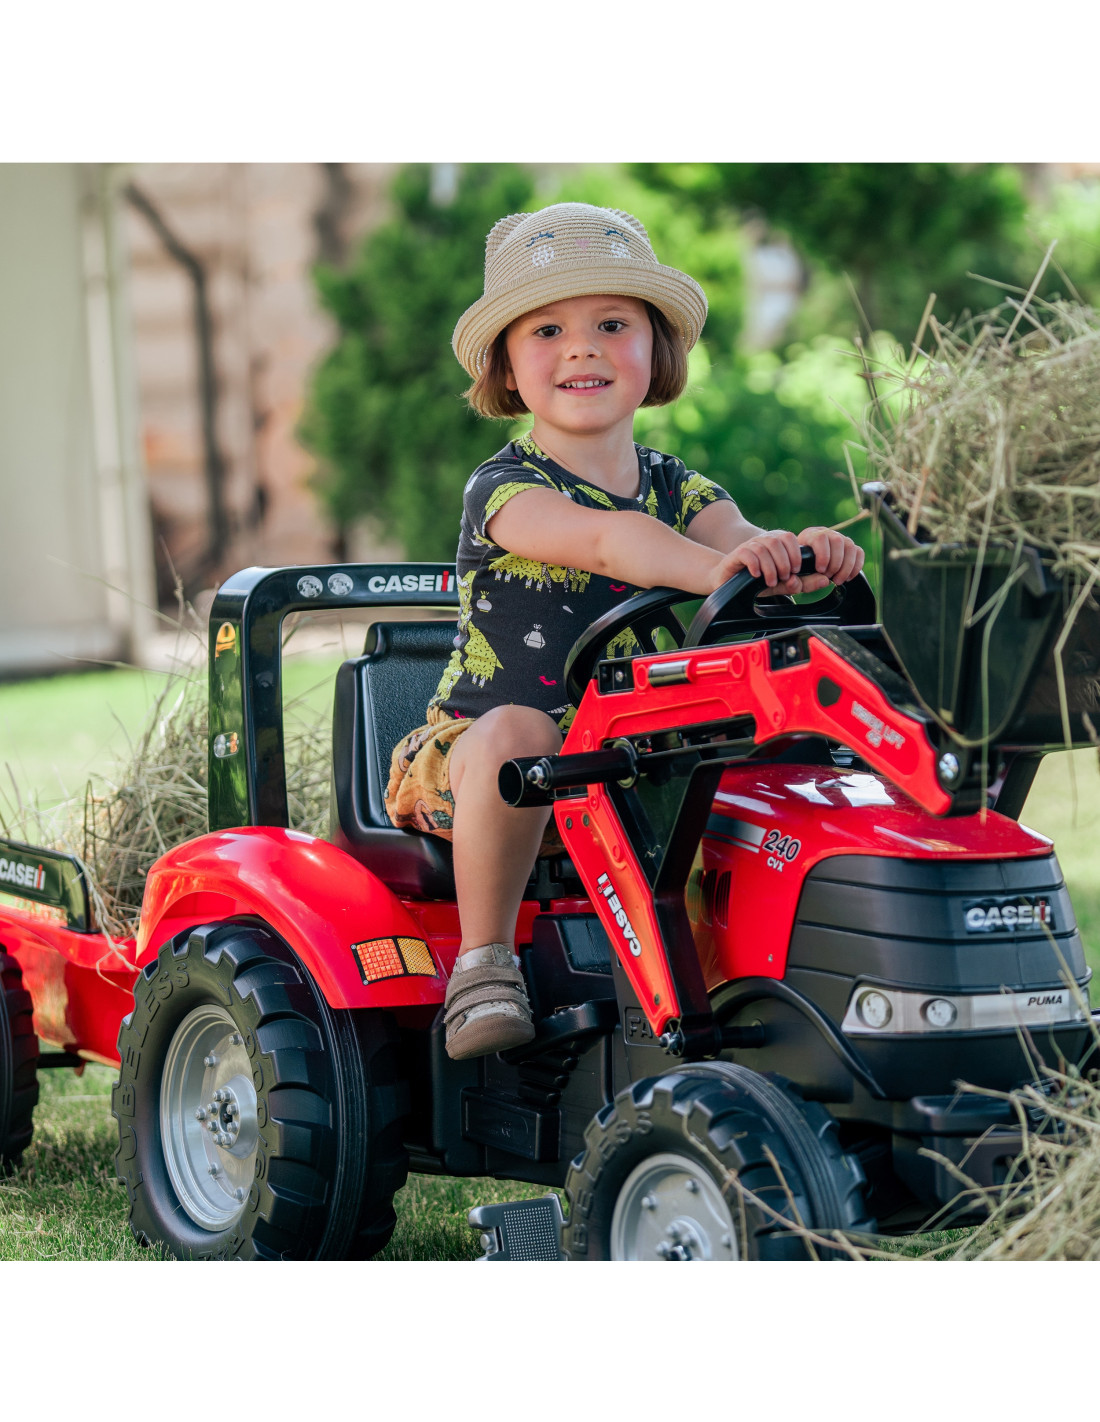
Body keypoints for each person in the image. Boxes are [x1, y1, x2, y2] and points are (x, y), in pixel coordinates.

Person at [385, 201, 865, 1062]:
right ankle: (484, 967)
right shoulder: (504, 489)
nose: (583, 348)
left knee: (753, 750)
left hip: (628, 754)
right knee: (520, 733)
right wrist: (715, 568)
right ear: (506, 366)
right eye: (548, 331)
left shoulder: (679, 486)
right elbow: (613, 542)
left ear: (656, 350)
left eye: (613, 324)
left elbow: (735, 538)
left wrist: (795, 555)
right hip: (480, 758)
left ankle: (758, 982)